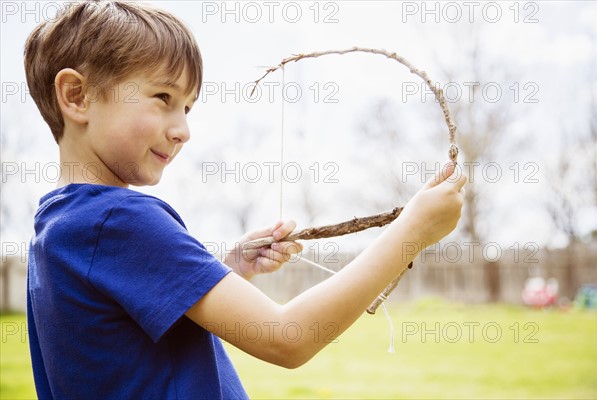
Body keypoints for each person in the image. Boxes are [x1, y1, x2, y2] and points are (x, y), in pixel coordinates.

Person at [24, 1, 467, 399]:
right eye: (163, 97)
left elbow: (127, 345)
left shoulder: (59, 227)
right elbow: (287, 338)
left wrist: (230, 271)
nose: (183, 130)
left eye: (188, 108)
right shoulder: (119, 219)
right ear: (77, 96)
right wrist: (412, 232)